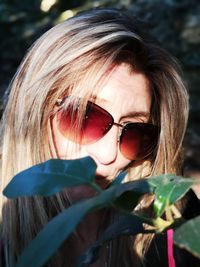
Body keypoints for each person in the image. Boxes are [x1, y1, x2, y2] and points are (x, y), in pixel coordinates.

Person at [0, 7, 199, 267]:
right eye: (84, 116)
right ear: (35, 109)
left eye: (135, 132)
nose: (109, 155)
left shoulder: (173, 217)